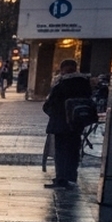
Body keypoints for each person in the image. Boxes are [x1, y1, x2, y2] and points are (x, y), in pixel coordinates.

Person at [42, 59, 94, 189]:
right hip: (77, 122)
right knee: (74, 150)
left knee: (61, 151)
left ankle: (61, 179)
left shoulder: (61, 84)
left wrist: (52, 113)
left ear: (62, 69)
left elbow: (50, 103)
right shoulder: (84, 83)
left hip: (61, 123)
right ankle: (71, 177)